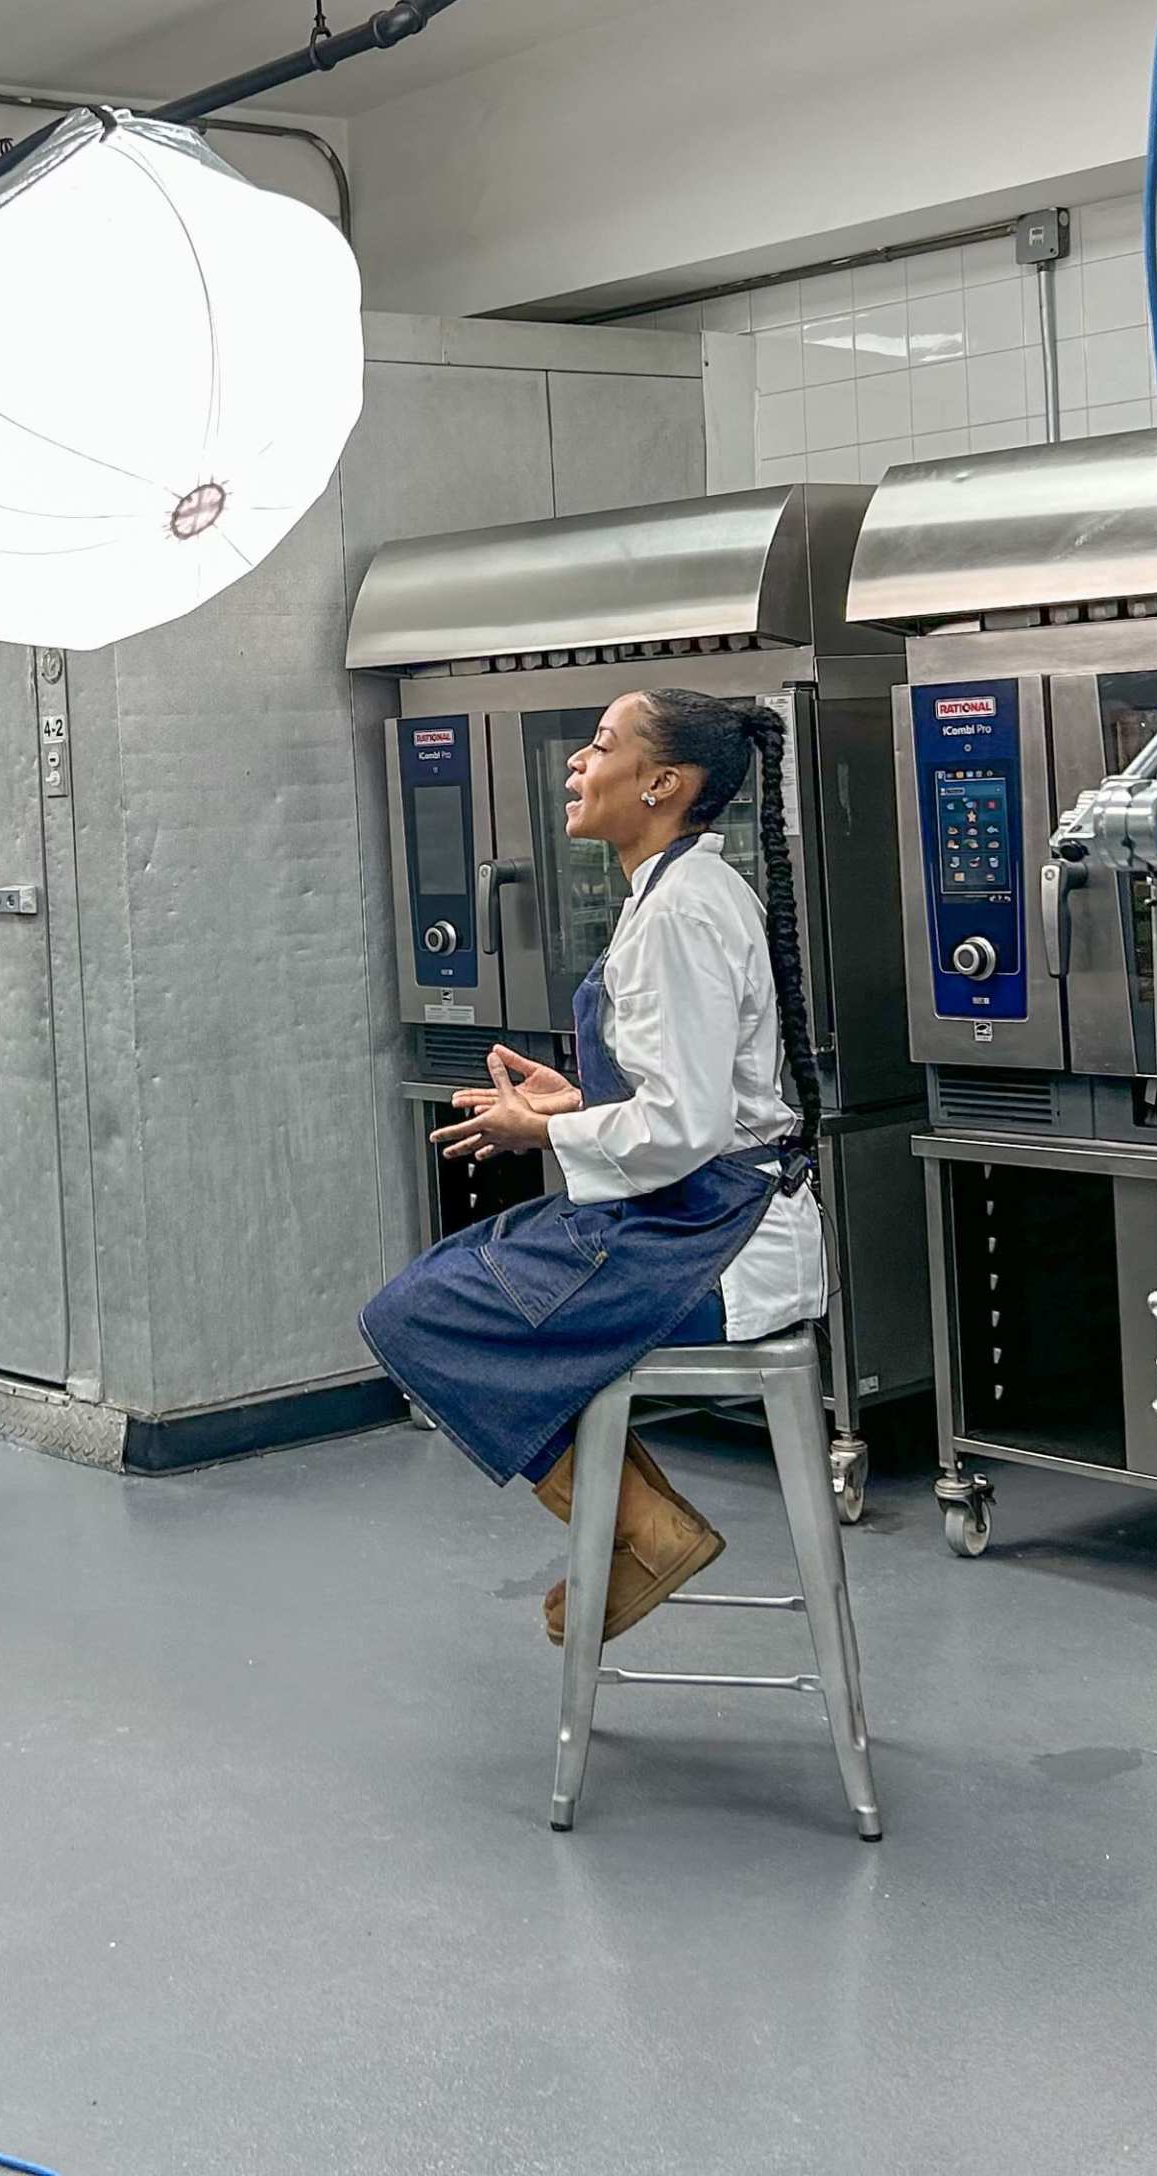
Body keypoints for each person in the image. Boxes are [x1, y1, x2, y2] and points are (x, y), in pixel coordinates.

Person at [359, 688, 826, 1646]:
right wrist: (573, 1104)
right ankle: (646, 1529)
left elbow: (687, 1125)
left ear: (664, 783)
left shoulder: (680, 915)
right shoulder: (675, 891)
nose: (577, 763)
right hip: (688, 1209)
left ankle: (642, 1531)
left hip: (716, 1241)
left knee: (419, 1313)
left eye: (600, 746)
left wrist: (546, 1137)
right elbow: (697, 1100)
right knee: (451, 1283)